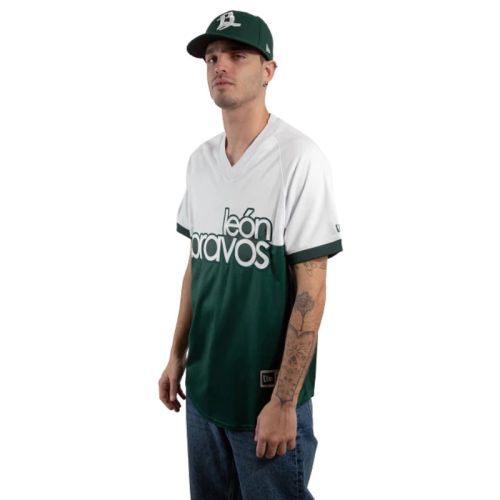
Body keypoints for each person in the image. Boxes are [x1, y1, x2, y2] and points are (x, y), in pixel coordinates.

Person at [158, 10, 343, 499]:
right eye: (212, 58)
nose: (220, 65)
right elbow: (197, 266)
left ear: (268, 70)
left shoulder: (299, 158)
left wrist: (283, 402)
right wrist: (176, 355)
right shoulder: (200, 162)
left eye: (237, 55)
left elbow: (312, 290)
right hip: (203, 394)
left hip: (263, 404)